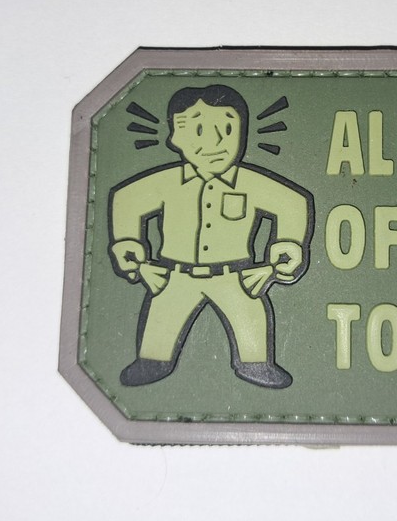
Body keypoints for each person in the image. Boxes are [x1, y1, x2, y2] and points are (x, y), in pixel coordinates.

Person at [108, 85, 313, 389]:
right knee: (161, 324)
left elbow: (293, 203)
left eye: (227, 129)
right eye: (199, 130)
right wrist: (135, 256)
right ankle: (151, 362)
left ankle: (257, 365)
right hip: (174, 275)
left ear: (242, 132)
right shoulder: (166, 183)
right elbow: (127, 200)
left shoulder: (250, 183)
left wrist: (280, 256)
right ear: (175, 137)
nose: (215, 141)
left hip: (235, 276)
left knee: (250, 320)